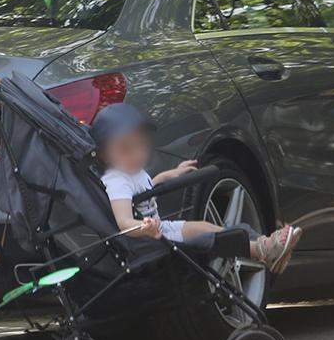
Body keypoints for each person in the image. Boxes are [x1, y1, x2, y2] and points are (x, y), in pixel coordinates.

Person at [92, 103, 301, 271]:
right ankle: (263, 250)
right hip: (151, 238)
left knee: (205, 227)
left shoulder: (131, 170)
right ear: (103, 155)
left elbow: (145, 192)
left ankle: (266, 246)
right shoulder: (116, 180)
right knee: (205, 236)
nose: (136, 154)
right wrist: (143, 228)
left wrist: (170, 174)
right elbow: (123, 222)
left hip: (162, 227)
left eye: (139, 146)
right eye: (126, 149)